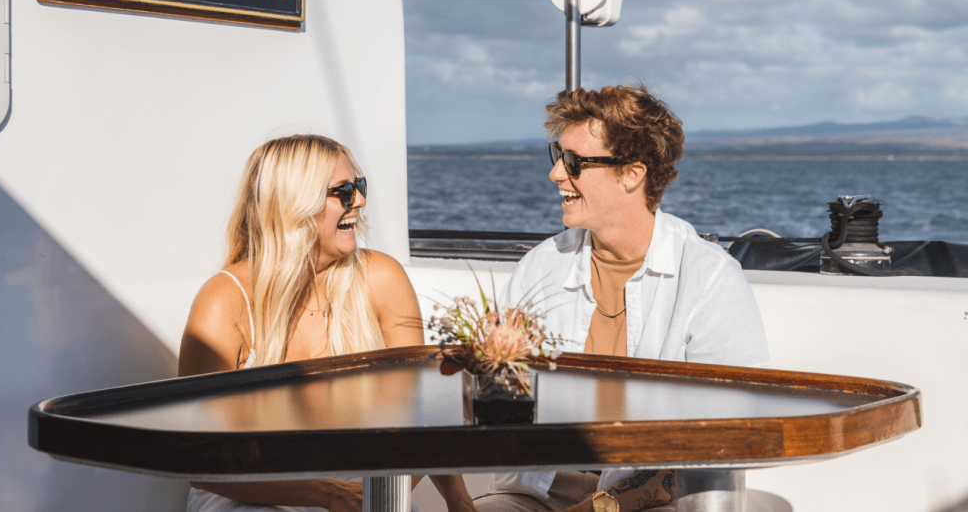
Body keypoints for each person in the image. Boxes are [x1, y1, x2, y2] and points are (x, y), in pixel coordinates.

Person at [477, 86, 770, 512]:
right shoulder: (540, 266)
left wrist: (606, 505)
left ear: (632, 174)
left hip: (652, 501)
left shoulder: (708, 279)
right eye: (556, 155)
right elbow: (496, 400)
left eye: (575, 162)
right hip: (531, 495)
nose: (556, 173)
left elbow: (731, 438)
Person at [179, 134, 474, 512]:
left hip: (361, 488)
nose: (361, 201)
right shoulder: (225, 301)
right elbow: (200, 461)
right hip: (252, 493)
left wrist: (457, 501)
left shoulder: (381, 279)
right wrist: (329, 496)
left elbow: (421, 416)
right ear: (294, 205)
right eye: (344, 192)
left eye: (359, 186)